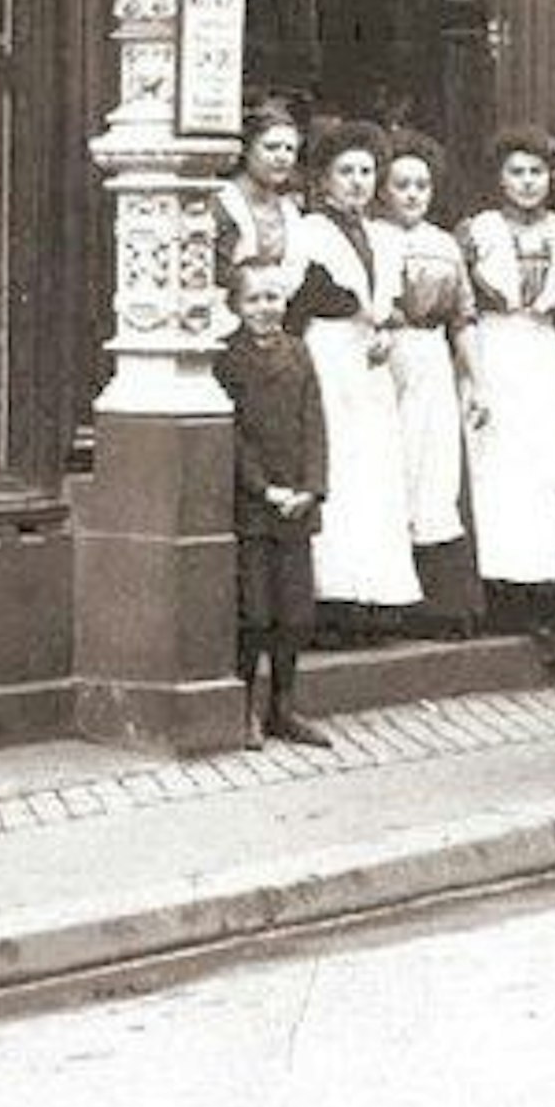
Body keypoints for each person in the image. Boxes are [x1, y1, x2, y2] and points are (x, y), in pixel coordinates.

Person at [457, 127, 555, 633]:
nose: (528, 182)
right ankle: (498, 592)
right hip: (492, 351)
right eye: (517, 172)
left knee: (547, 467)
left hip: (542, 352)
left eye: (537, 172)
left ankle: (544, 591)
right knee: (496, 469)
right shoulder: (478, 231)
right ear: (499, 178)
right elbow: (459, 301)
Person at [289, 116, 420, 625]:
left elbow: (391, 302)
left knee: (373, 468)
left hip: (370, 364)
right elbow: (297, 302)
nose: (358, 181)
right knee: (336, 463)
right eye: (346, 171)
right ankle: (332, 596)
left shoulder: (383, 236)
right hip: (328, 357)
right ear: (323, 178)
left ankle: (372, 595)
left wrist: (386, 329)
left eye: (367, 171)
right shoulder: (310, 233)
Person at [217, 256, 332, 747]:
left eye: (273, 298)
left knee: (296, 614)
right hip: (256, 504)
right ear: (237, 305)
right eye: (254, 299)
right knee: (256, 613)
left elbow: (314, 424)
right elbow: (235, 436)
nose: (266, 308)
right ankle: (246, 709)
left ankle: (283, 706)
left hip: (297, 505)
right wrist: (266, 489)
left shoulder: (301, 353)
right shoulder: (227, 358)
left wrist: (311, 486)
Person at [381, 131, 481, 634]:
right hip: (380, 358)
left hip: (430, 358)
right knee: (387, 466)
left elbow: (463, 317)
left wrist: (477, 381)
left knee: (433, 471)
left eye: (422, 185)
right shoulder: (371, 238)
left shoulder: (444, 245)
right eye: (402, 184)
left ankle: (438, 602)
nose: (413, 194)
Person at [213, 99, 307, 305]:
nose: (282, 157)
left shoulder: (290, 211)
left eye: (289, 149)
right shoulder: (221, 200)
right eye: (271, 147)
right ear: (247, 151)